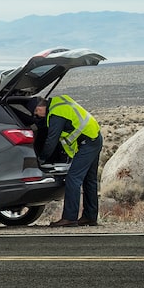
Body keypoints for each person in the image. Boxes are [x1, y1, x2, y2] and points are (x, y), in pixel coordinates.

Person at [36, 95, 103, 227]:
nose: (37, 115)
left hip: (87, 142)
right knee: (89, 180)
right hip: (94, 137)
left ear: (41, 107)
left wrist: (42, 158)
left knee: (73, 179)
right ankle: (90, 217)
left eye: (37, 111)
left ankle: (69, 218)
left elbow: (52, 140)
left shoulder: (56, 114)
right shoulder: (59, 103)